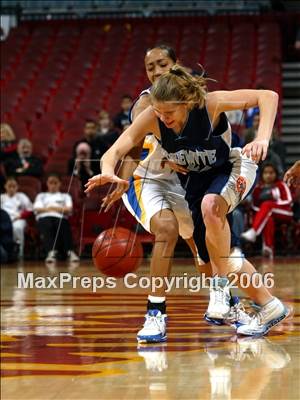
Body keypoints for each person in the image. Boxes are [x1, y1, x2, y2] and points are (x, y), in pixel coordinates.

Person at [85, 64, 289, 338]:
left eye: (169, 112)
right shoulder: (154, 117)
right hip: (197, 184)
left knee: (211, 208)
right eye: (159, 112)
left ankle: (219, 288)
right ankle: (270, 306)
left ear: (187, 103)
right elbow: (117, 149)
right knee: (221, 256)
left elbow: (268, 96)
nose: (163, 118)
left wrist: (262, 138)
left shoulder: (210, 104)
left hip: (233, 167)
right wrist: (108, 172)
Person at [241, 163, 293, 258]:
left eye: (271, 173)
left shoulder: (281, 185)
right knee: (268, 219)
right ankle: (268, 249)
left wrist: (272, 204)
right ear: (262, 175)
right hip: (266, 215)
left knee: (267, 205)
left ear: (276, 174)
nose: (268, 175)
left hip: (284, 212)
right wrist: (264, 211)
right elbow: (254, 206)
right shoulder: (258, 188)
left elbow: (288, 201)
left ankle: (254, 231)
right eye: (266, 173)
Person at [33, 173, 79, 263]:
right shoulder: (41, 196)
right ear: (47, 183)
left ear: (59, 184)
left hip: (60, 218)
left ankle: (70, 252)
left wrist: (51, 208)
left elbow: (68, 209)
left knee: (62, 224)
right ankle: (51, 253)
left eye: (55, 183)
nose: (53, 185)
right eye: (51, 183)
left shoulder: (65, 196)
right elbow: (37, 209)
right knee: (48, 225)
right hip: (44, 217)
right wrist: (59, 209)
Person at [0, 176, 33, 258]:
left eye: (14, 186)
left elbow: (30, 209)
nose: (11, 188)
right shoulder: (1, 197)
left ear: (17, 187)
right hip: (4, 220)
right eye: (9, 186)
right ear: (5, 186)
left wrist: (20, 216)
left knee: (16, 228)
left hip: (18, 219)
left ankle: (18, 253)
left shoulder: (22, 196)